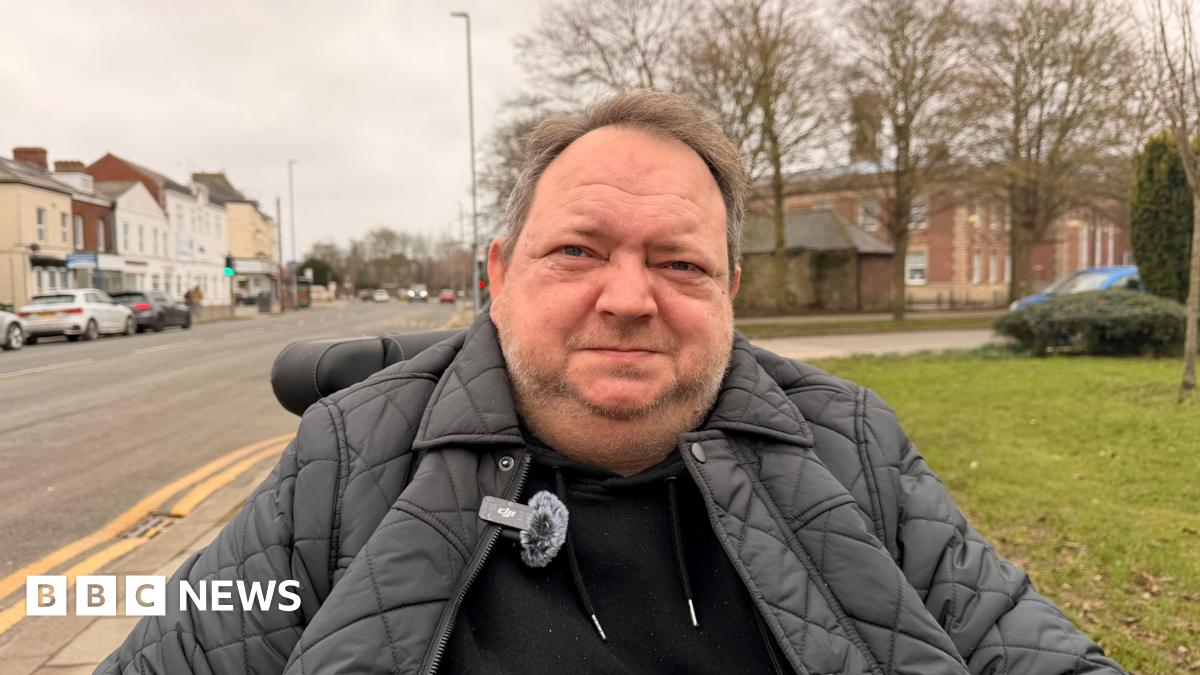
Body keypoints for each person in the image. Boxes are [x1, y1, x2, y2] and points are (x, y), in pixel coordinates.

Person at [98, 91, 1123, 674]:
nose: (628, 298)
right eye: (579, 252)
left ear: (731, 286)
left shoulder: (852, 447)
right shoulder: (344, 461)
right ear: (497, 277)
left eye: (678, 263)